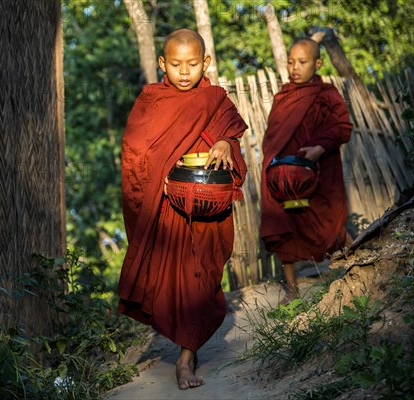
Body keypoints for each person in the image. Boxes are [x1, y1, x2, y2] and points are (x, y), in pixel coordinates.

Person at [117, 28, 248, 390]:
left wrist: (224, 141)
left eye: (193, 64)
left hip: (210, 209)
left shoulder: (215, 98)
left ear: (205, 62)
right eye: (176, 64)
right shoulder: (152, 100)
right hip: (169, 209)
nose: (185, 71)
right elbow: (135, 150)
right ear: (163, 63)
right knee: (174, 279)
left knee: (204, 277)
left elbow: (231, 131)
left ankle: (188, 354)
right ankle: (184, 357)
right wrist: (154, 175)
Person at [260, 38, 353, 304]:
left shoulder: (327, 95)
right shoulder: (284, 96)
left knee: (331, 224)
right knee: (285, 227)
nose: (294, 68)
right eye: (291, 62)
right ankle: (292, 290)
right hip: (284, 177)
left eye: (302, 62)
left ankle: (361, 264)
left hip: (318, 173)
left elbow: (342, 127)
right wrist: (272, 167)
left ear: (318, 63)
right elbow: (273, 136)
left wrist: (320, 149)